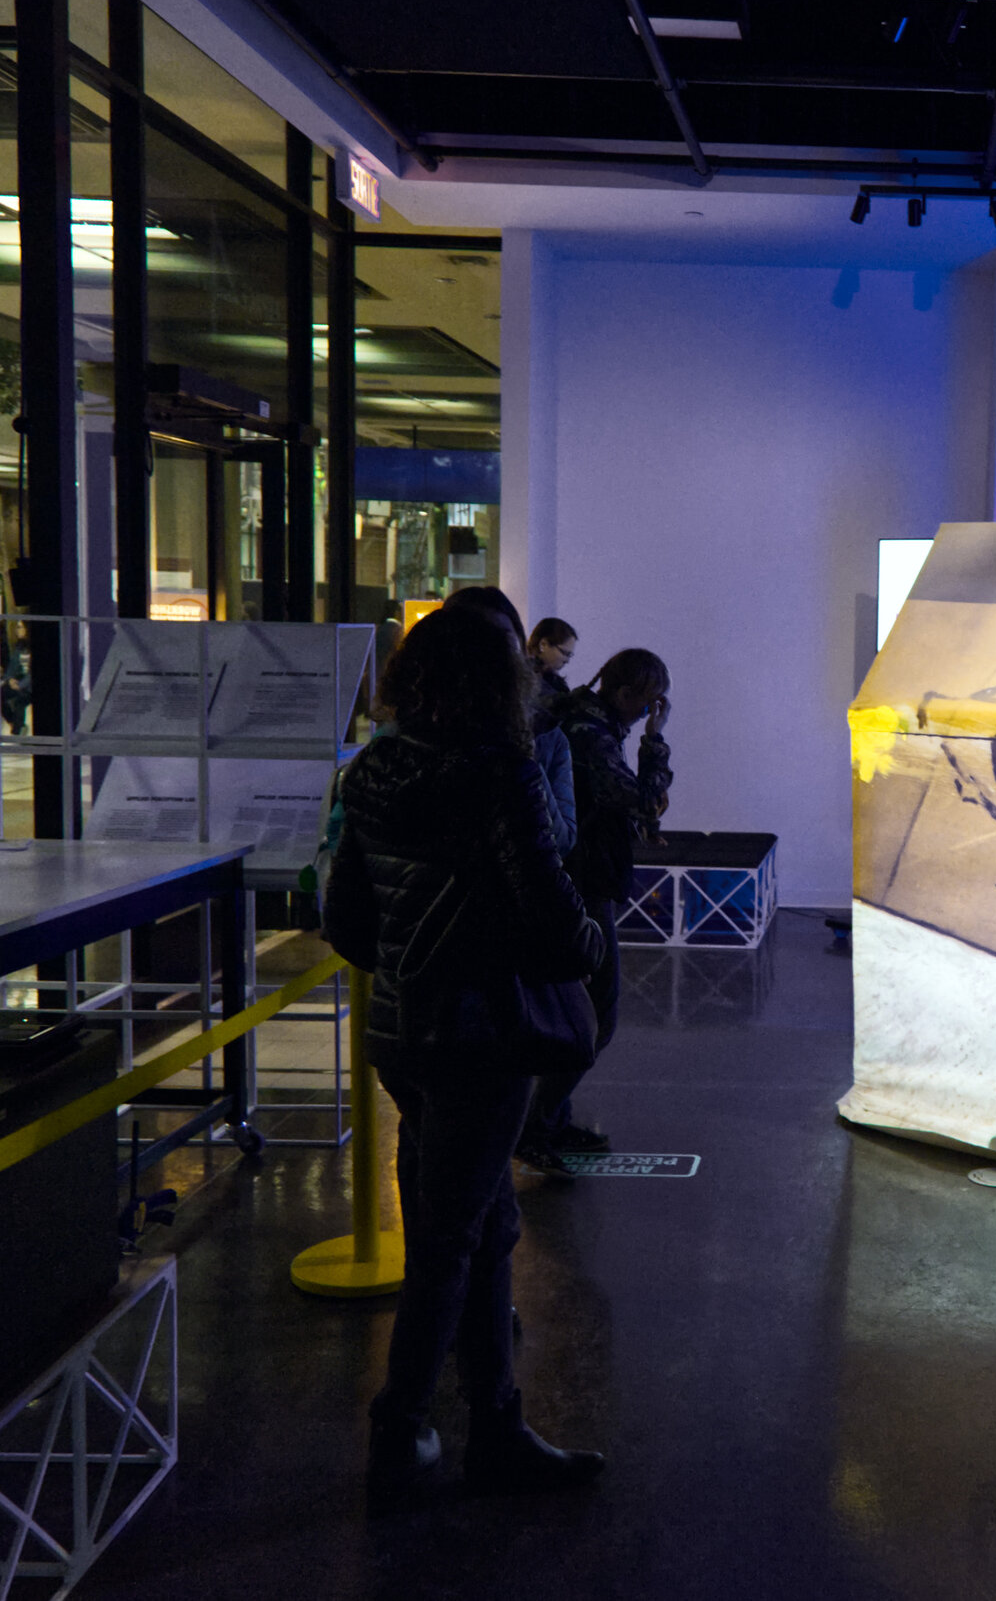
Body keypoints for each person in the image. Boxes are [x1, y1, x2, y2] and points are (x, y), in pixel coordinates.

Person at [333, 607, 607, 1500]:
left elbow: (345, 921)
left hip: (403, 1039)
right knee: (452, 1242)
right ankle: (399, 1432)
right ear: (503, 683)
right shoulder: (501, 773)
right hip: (484, 1038)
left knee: (486, 1227)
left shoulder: (372, 768)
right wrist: (595, 942)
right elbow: (558, 931)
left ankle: (496, 1426)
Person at [518, 648, 672, 1171]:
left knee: (575, 1009)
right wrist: (656, 742)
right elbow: (643, 797)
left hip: (573, 879)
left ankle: (549, 1121)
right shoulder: (593, 733)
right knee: (597, 1016)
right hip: (582, 886)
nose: (648, 713)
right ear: (628, 694)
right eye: (649, 703)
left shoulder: (576, 717)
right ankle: (536, 1126)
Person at [445, 588, 576, 854]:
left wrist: (524, 757)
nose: (486, 661)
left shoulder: (546, 735)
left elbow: (560, 840)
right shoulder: (393, 750)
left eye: (500, 646)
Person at [528, 617, 577, 707]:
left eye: (569, 655)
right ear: (543, 644)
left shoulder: (556, 683)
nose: (567, 661)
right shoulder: (521, 677)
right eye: (564, 653)